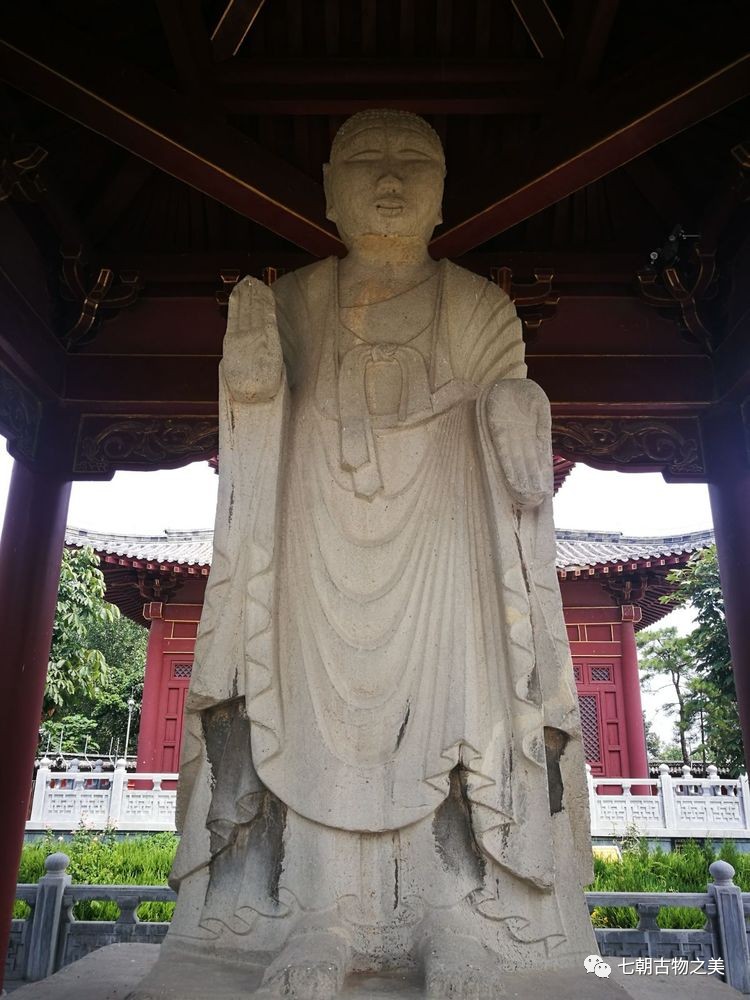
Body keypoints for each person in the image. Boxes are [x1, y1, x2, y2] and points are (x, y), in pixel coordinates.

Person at [163, 110, 597, 999]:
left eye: (413, 162)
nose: (390, 178)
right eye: (366, 160)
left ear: (443, 196)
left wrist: (518, 414)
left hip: (449, 549)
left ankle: (451, 919)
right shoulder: (293, 301)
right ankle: (318, 918)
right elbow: (255, 425)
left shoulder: (480, 307)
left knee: (460, 712)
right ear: (328, 190)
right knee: (313, 720)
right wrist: (250, 380)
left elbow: (513, 413)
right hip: (315, 546)